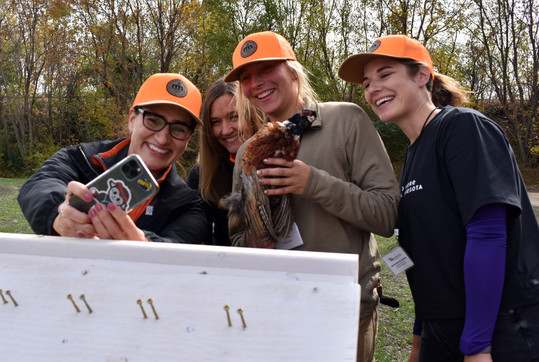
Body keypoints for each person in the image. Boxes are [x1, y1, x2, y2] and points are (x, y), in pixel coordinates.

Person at [338, 34, 539, 361]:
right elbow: (423, 258)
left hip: (499, 327)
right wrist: (420, 337)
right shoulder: (414, 154)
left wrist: (477, 346)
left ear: (422, 76)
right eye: (366, 83)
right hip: (441, 330)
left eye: (385, 74)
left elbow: (487, 235)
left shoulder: (462, 128)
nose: (373, 89)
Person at [224, 31, 400, 361]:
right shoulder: (249, 152)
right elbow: (237, 236)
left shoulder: (346, 121)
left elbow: (387, 215)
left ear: (292, 69)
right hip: (278, 312)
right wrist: (256, 240)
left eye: (266, 69)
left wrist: (313, 183)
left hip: (346, 310)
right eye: (246, 78)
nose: (256, 83)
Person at [18, 73, 211, 244]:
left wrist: (141, 246)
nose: (162, 138)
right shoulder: (82, 159)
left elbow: (177, 251)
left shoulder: (188, 206)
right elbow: (38, 184)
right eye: (153, 120)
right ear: (132, 120)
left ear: (188, 139)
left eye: (178, 129)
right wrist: (60, 214)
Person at [187, 78, 263, 245]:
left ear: (252, 115)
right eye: (216, 122)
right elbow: (198, 241)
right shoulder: (202, 174)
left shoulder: (281, 157)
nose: (226, 130)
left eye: (234, 117)